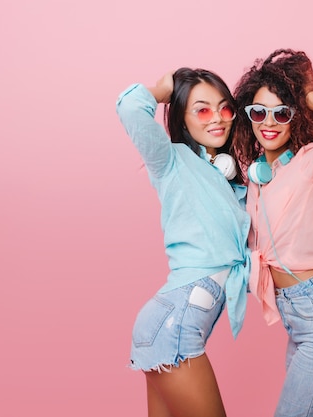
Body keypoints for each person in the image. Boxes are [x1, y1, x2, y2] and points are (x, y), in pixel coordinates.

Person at [232, 49, 313, 417]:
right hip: (302, 326)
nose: (269, 122)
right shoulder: (258, 177)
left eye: (282, 112)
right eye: (258, 112)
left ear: (296, 116)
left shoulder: (311, 163)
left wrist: (303, 94)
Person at [116, 68, 251, 417]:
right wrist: (165, 88)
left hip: (170, 324)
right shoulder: (170, 159)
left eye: (225, 108)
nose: (217, 119)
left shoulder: (230, 183)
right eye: (202, 110)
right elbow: (131, 107)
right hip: (174, 325)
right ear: (182, 117)